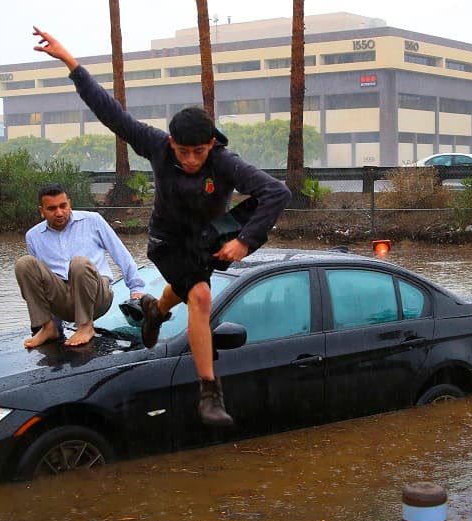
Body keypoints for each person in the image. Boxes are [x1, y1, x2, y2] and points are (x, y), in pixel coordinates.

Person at [32, 27, 291, 428]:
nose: (190, 160)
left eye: (198, 152)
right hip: (166, 243)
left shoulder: (224, 162)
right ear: (171, 142)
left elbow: (277, 193)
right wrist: (71, 63)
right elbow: (111, 114)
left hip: (208, 238)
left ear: (212, 144)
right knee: (201, 298)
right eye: (182, 151)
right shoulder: (156, 145)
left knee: (198, 275)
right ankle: (209, 393)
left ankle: (154, 311)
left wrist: (243, 241)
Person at [15, 183, 146, 348]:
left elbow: (120, 254)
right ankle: (48, 328)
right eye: (52, 208)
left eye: (63, 206)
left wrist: (136, 290)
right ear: (42, 211)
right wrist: (54, 323)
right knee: (24, 264)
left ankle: (85, 325)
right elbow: (38, 285)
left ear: (69, 203)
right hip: (63, 300)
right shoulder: (34, 236)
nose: (59, 213)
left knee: (79, 263)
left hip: (97, 297)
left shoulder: (93, 221)